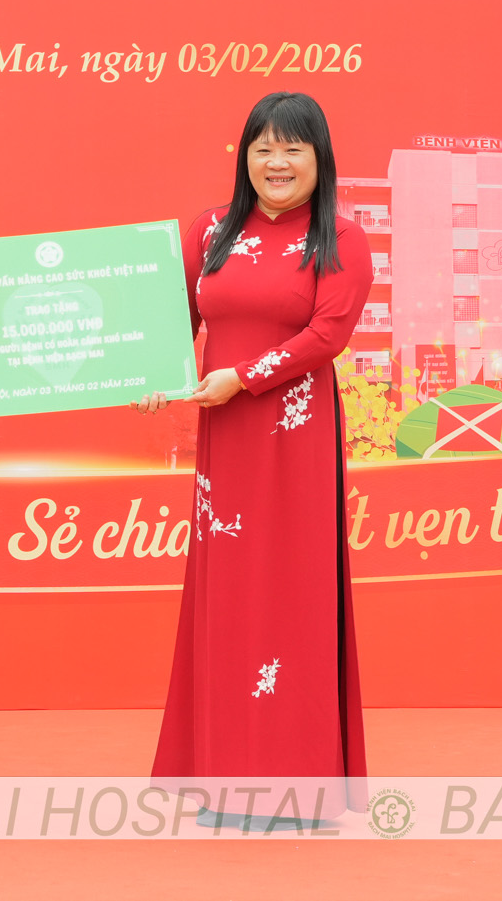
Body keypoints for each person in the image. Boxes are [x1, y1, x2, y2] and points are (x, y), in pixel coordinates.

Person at [138, 91, 372, 817]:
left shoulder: (342, 238)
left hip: (295, 440)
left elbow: (327, 336)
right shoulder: (210, 230)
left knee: (293, 595)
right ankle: (221, 770)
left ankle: (294, 783)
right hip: (227, 443)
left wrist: (242, 376)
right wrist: (145, 373)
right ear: (245, 156)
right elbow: (162, 320)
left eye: (293, 148)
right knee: (229, 597)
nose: (277, 161)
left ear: (319, 158)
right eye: (263, 147)